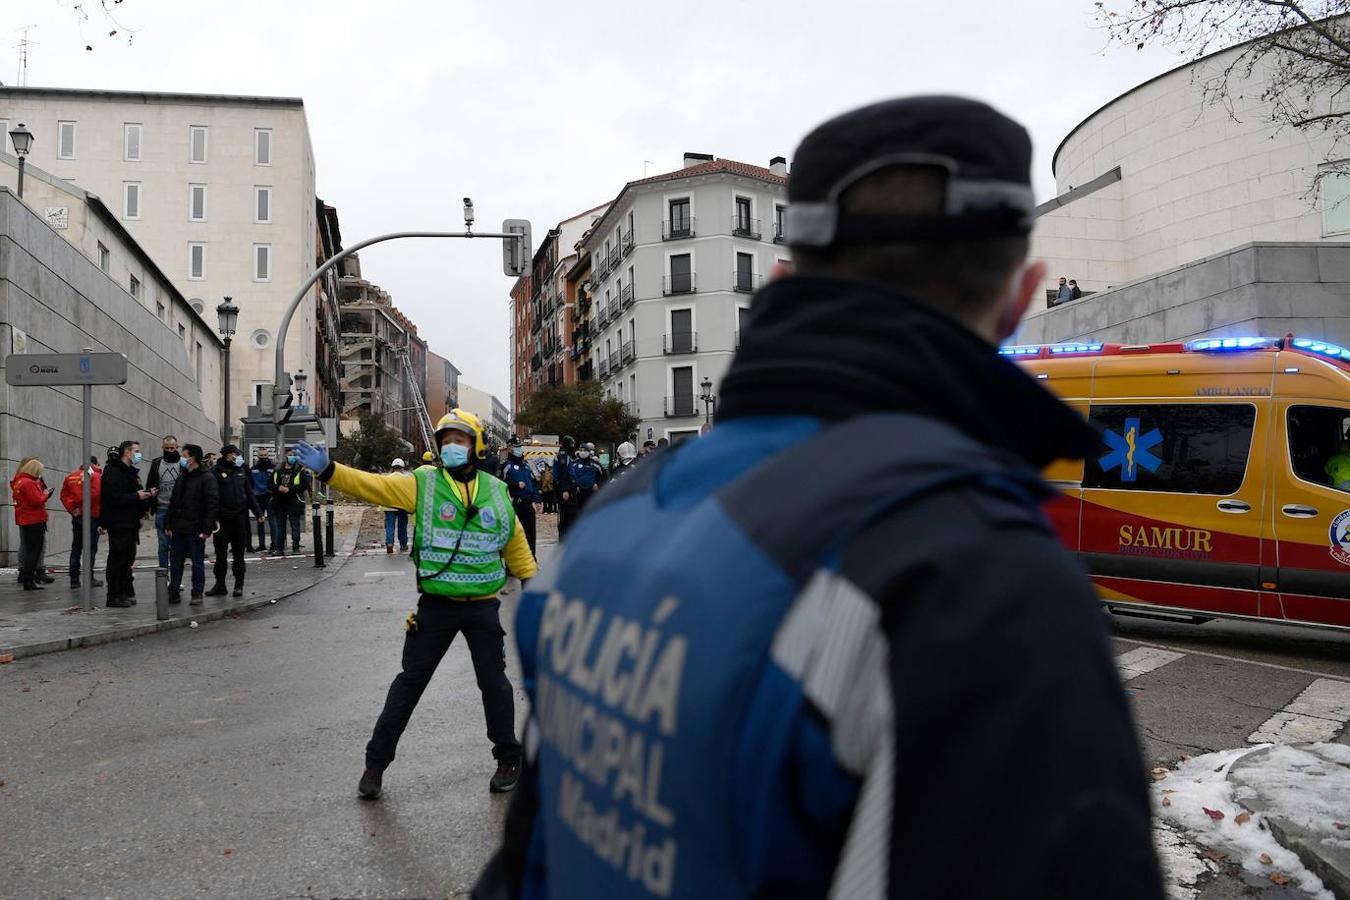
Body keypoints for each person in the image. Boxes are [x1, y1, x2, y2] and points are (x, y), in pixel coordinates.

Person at [475, 97, 1163, 899]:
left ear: (780, 279)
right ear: (1022, 293)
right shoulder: (976, 586)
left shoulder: (620, 516)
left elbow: (526, 862)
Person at [291, 408, 538, 800]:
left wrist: (531, 581)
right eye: (446, 441)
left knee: (494, 684)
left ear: (475, 446)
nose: (452, 446)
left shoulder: (496, 488)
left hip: (482, 607)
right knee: (409, 684)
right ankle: (375, 766)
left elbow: (515, 539)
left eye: (460, 440)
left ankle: (509, 758)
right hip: (436, 606)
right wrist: (329, 472)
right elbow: (372, 486)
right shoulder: (422, 483)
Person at [101, 441, 153, 608]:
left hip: (131, 523)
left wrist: (146, 498)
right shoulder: (113, 472)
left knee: (127, 559)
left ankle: (123, 592)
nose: (139, 454)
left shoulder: (130, 472)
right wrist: (136, 496)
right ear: (127, 452)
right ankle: (113, 595)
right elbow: (114, 498)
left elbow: (135, 493)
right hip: (119, 523)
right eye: (136, 451)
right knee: (117, 559)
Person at [165, 444, 218, 606]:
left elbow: (212, 504)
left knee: (196, 562)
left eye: (185, 455)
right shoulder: (183, 476)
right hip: (179, 527)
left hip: (196, 528)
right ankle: (173, 591)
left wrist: (207, 529)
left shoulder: (206, 477)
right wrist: (168, 523)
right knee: (175, 561)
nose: (182, 458)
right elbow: (174, 501)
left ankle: (197, 592)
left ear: (193, 457)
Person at [208, 444, 263, 598]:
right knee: (220, 555)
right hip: (222, 520)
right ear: (227, 455)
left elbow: (249, 494)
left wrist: (258, 512)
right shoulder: (215, 472)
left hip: (240, 519)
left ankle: (239, 585)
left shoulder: (241, 472)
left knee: (239, 554)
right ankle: (220, 585)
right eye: (235, 454)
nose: (238, 457)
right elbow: (212, 497)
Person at [60, 456, 103, 590]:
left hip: (77, 516)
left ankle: (74, 579)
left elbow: (64, 496)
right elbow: (95, 495)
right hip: (91, 516)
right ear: (94, 464)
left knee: (76, 546)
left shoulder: (70, 477)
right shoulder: (96, 476)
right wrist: (82, 508)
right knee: (90, 548)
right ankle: (89, 578)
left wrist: (73, 509)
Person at [11, 457, 53, 591]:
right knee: (35, 550)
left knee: (28, 548)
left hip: (25, 518)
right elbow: (36, 500)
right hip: (34, 519)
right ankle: (29, 580)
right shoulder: (29, 483)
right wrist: (46, 494)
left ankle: (27, 577)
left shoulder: (19, 481)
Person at [144, 435, 182, 570]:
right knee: (163, 545)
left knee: (177, 546)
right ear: (163, 448)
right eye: (167, 448)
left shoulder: (182, 463)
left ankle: (176, 577)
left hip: (178, 511)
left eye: (172, 448)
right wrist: (147, 508)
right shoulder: (156, 464)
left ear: (177, 447)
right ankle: (164, 574)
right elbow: (150, 484)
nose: (170, 450)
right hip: (161, 508)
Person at [502, 438, 540, 555]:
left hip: (528, 503)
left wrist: (537, 500)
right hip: (514, 503)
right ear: (510, 449)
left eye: (520, 447)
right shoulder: (507, 466)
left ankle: (531, 560)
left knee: (530, 534)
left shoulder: (526, 465)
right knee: (514, 535)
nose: (519, 449)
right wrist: (516, 485)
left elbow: (533, 483)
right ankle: (511, 566)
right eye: (516, 447)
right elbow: (501, 484)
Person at [269, 448, 311, 556]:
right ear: (286, 456)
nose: (292, 457)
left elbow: (305, 485)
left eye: (294, 455)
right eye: (290, 455)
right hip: (279, 501)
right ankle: (279, 549)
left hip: (294, 501)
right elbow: (269, 484)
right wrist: (278, 487)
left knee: (295, 526)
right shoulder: (278, 469)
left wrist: (290, 489)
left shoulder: (300, 470)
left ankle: (296, 548)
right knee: (280, 526)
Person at [566, 441, 606, 514]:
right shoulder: (574, 464)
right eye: (581, 450)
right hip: (578, 493)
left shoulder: (595, 464)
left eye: (585, 450)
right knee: (578, 514)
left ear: (589, 452)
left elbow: (604, 476)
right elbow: (570, 476)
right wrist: (574, 486)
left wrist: (598, 484)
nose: (583, 452)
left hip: (591, 493)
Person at [383, 458, 412, 554]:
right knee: (402, 526)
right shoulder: (406, 479)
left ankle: (390, 544)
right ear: (402, 468)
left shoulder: (387, 478)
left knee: (390, 526)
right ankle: (403, 545)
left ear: (392, 468)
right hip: (402, 506)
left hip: (389, 505)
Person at [249, 454, 274, 552]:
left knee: (272, 522)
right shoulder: (254, 469)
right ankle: (262, 544)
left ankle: (274, 544)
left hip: (269, 496)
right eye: (262, 455)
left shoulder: (272, 468)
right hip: (258, 497)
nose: (264, 457)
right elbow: (250, 483)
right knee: (260, 521)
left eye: (265, 455)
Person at [554, 435, 577, 537]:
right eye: (571, 444)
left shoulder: (568, 456)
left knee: (570, 516)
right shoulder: (563, 457)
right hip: (565, 491)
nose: (573, 446)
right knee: (565, 517)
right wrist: (565, 490)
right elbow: (563, 474)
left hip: (570, 489)